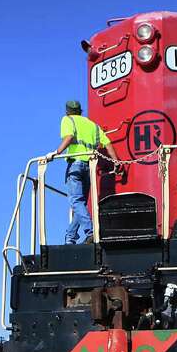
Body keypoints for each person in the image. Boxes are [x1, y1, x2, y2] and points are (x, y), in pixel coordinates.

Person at [50, 100, 114, 244]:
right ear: (81, 111)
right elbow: (108, 143)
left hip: (76, 165)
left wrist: (56, 152)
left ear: (67, 111)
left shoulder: (68, 120)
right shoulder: (93, 125)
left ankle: (90, 231)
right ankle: (70, 237)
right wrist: (115, 162)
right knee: (81, 204)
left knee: (75, 201)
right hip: (90, 167)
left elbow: (69, 136)